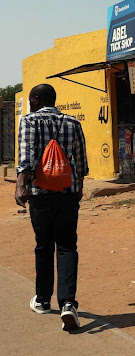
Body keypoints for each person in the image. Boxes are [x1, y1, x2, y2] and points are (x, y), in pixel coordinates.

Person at [15, 84, 88, 330]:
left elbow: (25, 158)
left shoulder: (29, 122)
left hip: (39, 194)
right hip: (67, 193)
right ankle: (68, 304)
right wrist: (78, 187)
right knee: (67, 246)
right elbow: (81, 161)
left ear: (36, 99)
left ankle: (43, 300)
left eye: (31, 99)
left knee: (44, 245)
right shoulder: (73, 123)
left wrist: (20, 187)